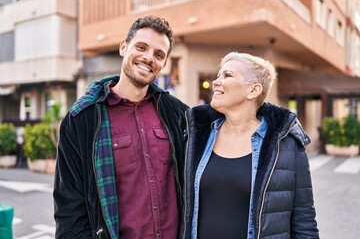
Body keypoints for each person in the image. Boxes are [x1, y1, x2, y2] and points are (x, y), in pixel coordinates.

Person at [53, 15, 189, 238]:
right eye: (141, 47)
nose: (148, 58)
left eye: (158, 54)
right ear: (123, 47)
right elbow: (69, 210)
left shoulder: (177, 113)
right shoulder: (82, 120)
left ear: (164, 64)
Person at [181, 52, 319, 239]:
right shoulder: (198, 135)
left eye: (227, 75)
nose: (216, 81)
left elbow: (304, 221)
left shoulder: (286, 143)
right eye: (218, 75)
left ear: (253, 90)